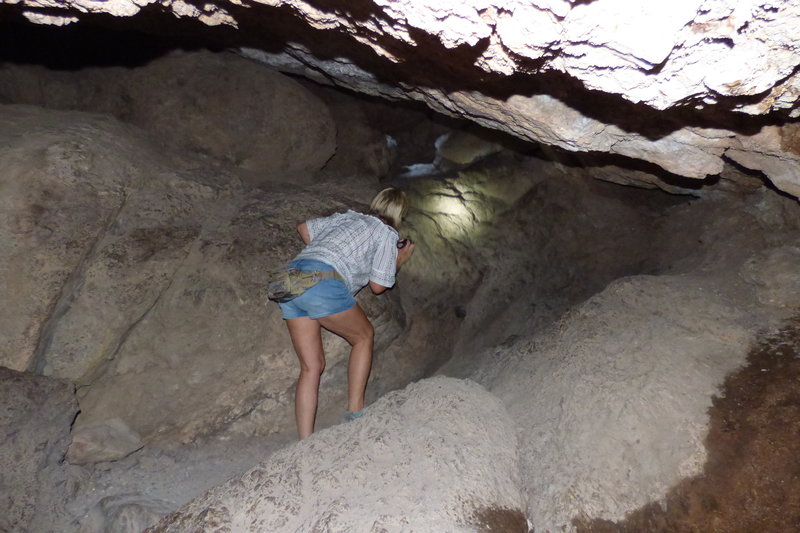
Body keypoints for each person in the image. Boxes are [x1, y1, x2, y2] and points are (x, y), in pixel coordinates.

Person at [277, 188, 415, 439]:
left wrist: (327, 250)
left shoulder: (347, 217)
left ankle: (305, 442)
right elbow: (378, 286)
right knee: (364, 337)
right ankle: (356, 413)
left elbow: (303, 229)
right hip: (322, 282)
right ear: (400, 215)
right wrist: (400, 258)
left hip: (291, 278)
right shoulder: (386, 233)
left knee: (312, 366)